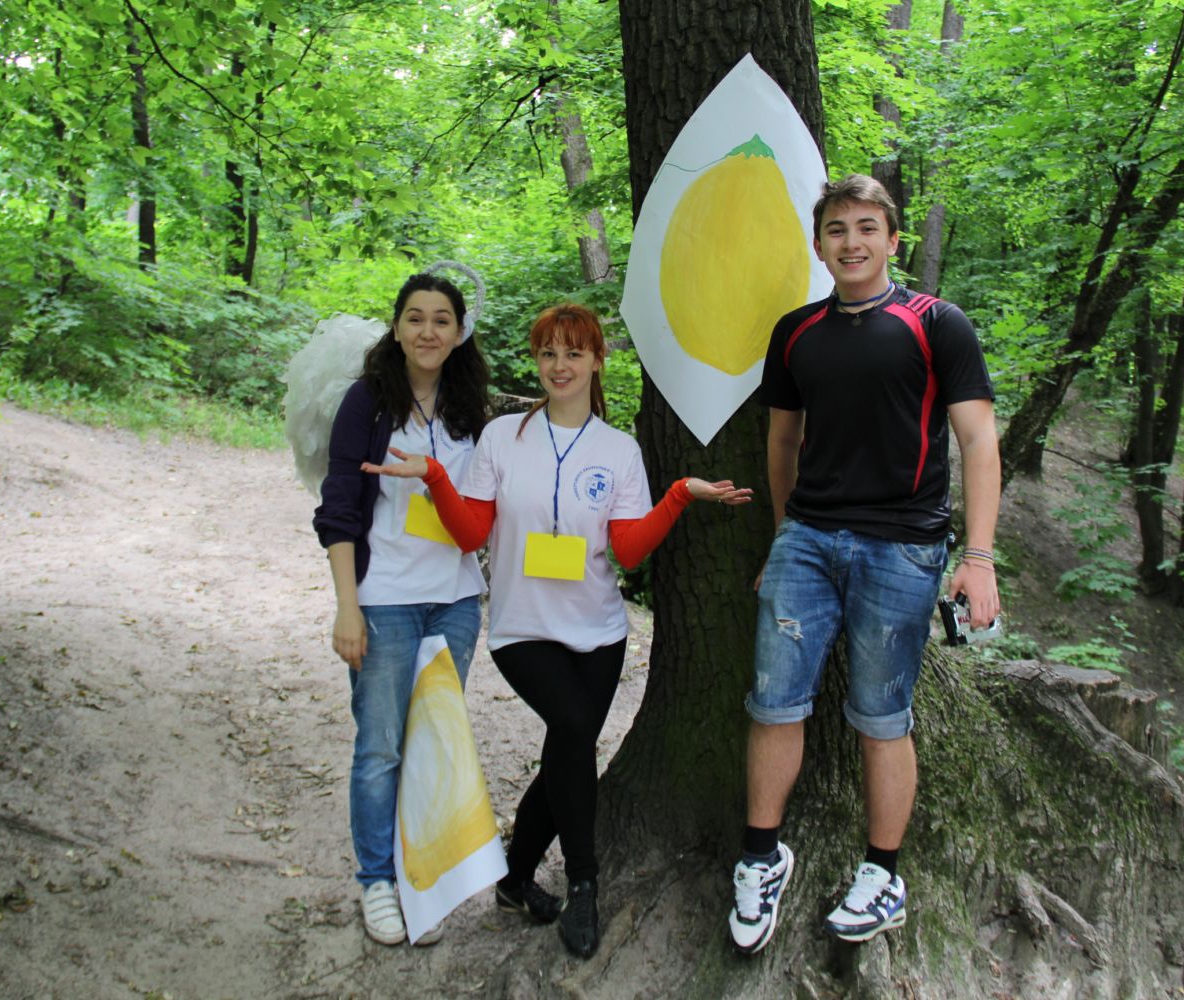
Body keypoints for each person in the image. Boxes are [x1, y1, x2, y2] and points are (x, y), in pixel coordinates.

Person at [366, 303, 751, 959]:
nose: (560, 365)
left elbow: (627, 551)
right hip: (522, 630)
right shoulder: (501, 438)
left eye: (574, 352)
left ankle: (515, 880)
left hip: (599, 633)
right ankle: (584, 883)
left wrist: (679, 495)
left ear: (597, 361)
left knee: (567, 751)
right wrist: (434, 477)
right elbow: (472, 533)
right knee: (573, 731)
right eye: (548, 353)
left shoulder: (619, 450)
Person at [727, 175, 1001, 954]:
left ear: (892, 239)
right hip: (807, 541)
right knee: (773, 703)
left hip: (904, 547)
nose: (852, 242)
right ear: (819, 245)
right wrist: (783, 536)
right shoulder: (796, 332)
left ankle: (883, 875)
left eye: (867, 227)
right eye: (837, 229)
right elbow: (782, 441)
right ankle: (760, 858)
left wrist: (979, 557)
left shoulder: (937, 323)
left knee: (882, 717)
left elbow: (979, 441)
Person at [312, 270, 491, 947]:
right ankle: (377, 881)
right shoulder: (367, 402)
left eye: (441, 319)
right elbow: (338, 507)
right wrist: (347, 608)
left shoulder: (469, 405)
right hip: (384, 600)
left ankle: (420, 879)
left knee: (431, 744)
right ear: (396, 326)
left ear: (459, 331)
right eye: (415, 317)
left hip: (455, 602)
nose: (427, 331)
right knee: (381, 746)